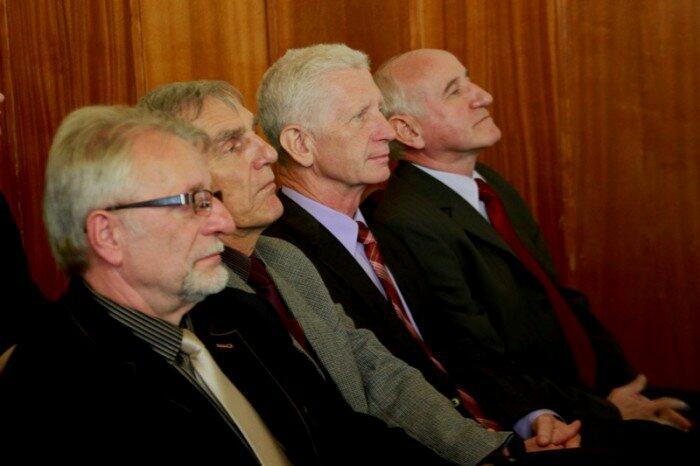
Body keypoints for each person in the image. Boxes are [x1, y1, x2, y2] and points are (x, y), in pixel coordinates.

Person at [0, 106, 445, 465]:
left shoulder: (237, 311)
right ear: (108, 235)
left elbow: (345, 436)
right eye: (193, 202)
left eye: (211, 198)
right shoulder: (53, 386)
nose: (223, 221)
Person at [138, 80, 516, 465]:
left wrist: (487, 451)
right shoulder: (190, 294)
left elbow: (378, 371)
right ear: (182, 181)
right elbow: (319, 428)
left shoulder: (285, 258)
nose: (268, 153)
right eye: (233, 145)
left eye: (254, 134)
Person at [257, 43, 583, 446]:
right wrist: (494, 453)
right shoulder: (277, 255)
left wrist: (533, 416)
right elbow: (356, 403)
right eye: (361, 116)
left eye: (380, 110)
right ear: (300, 144)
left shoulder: (386, 222)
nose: (386, 131)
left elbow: (457, 345)